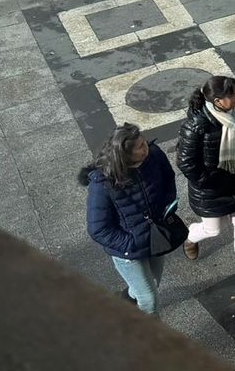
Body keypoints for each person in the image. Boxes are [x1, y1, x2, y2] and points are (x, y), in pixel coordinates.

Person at [78, 123, 185, 315]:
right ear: (125, 155)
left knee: (152, 283)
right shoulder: (102, 183)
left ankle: (125, 302)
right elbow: (98, 229)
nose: (147, 147)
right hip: (128, 249)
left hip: (155, 235)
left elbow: (168, 178)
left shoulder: (154, 155)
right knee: (149, 300)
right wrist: (130, 243)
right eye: (141, 146)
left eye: (144, 141)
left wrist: (167, 208)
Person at [177, 74, 235, 280]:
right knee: (214, 229)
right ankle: (191, 237)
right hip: (212, 189)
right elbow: (186, 162)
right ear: (218, 101)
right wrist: (207, 182)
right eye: (231, 94)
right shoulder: (196, 125)